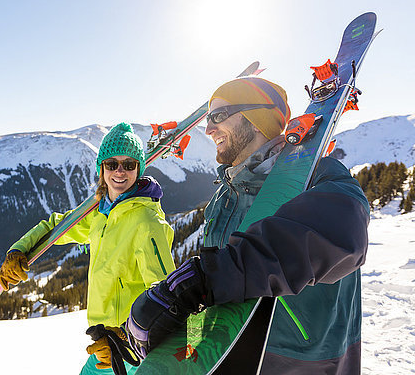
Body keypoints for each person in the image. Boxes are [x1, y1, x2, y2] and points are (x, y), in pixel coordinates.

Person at [125, 78, 369, 374]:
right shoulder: (223, 197)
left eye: (217, 117)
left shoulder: (318, 173)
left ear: (256, 119)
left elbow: (344, 233)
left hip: (305, 359)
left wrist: (211, 276)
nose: (208, 129)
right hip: (232, 350)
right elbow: (218, 290)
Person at [0, 122, 176, 375]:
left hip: (133, 345)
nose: (120, 171)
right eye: (111, 164)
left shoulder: (146, 221)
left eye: (128, 165)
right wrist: (20, 250)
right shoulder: (99, 213)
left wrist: (125, 337)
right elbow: (56, 226)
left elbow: (163, 293)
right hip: (105, 341)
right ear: (101, 168)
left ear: (139, 169)